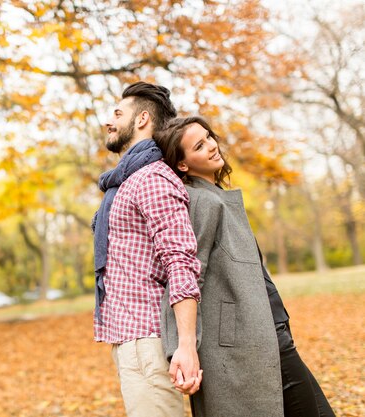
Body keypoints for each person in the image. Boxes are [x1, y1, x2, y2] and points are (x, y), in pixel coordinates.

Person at [157, 116, 335, 417]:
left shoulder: (219, 198)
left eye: (209, 137)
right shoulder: (202, 202)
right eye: (199, 146)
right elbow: (185, 273)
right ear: (183, 165)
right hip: (250, 340)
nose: (212, 146)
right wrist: (181, 348)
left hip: (270, 330)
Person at [92, 81, 203, 417]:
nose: (108, 121)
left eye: (117, 113)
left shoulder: (152, 178)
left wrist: (186, 345)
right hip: (130, 339)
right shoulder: (125, 181)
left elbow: (181, 261)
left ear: (141, 120)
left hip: (147, 339)